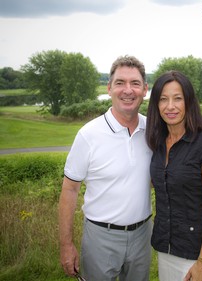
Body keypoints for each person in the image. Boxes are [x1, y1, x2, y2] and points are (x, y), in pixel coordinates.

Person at [59, 55, 152, 281]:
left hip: (142, 235)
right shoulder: (88, 134)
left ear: (145, 89)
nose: (127, 90)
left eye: (135, 83)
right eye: (120, 83)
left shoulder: (153, 130)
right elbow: (70, 190)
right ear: (109, 88)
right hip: (101, 237)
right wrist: (66, 245)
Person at [146, 70, 202, 281]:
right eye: (163, 99)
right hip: (166, 249)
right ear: (156, 104)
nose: (170, 106)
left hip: (199, 253)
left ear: (189, 102)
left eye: (177, 98)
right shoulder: (157, 144)